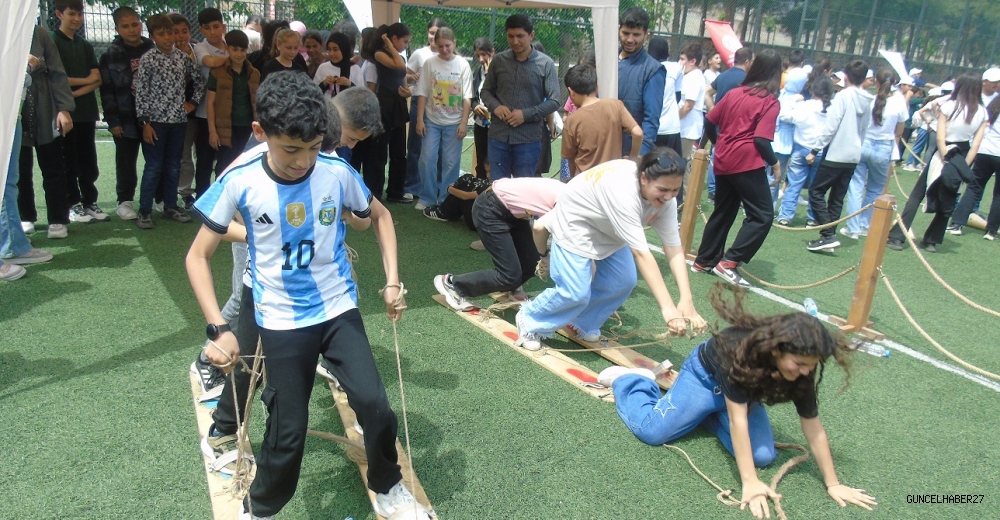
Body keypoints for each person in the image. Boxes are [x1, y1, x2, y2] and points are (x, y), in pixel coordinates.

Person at [187, 71, 415, 519]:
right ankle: (261, 508)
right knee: (288, 431)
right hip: (280, 317)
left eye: (313, 148)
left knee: (375, 405)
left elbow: (381, 218)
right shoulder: (241, 179)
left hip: (336, 309)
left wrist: (392, 280)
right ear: (260, 133)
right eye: (291, 149)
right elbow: (197, 256)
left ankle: (389, 487)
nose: (303, 161)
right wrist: (218, 328)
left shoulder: (335, 170)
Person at [603, 284, 876, 520]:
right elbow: (738, 420)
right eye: (800, 364)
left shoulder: (802, 368)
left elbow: (813, 427)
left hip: (743, 395)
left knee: (764, 456)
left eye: (811, 366)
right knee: (652, 433)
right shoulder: (739, 352)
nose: (805, 371)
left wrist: (833, 484)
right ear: (777, 349)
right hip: (705, 379)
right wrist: (750, 483)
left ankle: (703, 415)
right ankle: (633, 381)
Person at [515, 148, 707, 351]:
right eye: (663, 190)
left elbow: (674, 248)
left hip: (609, 227)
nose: (669, 197)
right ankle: (531, 318)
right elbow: (641, 254)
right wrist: (669, 309)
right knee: (574, 292)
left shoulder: (665, 199)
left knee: (622, 281)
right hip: (576, 221)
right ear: (643, 178)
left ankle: (582, 321)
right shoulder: (624, 192)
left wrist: (686, 300)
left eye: (675, 190)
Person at [690, 49, 782, 288]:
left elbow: (710, 120)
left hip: (723, 158)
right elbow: (761, 139)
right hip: (746, 162)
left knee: (723, 210)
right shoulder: (770, 100)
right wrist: (775, 163)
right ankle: (729, 262)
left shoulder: (734, 93)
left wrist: (717, 141)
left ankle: (703, 261)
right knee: (762, 215)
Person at [887, 74, 988, 252]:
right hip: (963, 155)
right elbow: (976, 144)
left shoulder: (949, 106)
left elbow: (941, 137)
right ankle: (932, 240)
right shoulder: (982, 111)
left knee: (917, 193)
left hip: (944, 152)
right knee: (949, 195)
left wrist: (946, 158)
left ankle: (897, 237)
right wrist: (962, 166)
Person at [434, 177, 564, 311]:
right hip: (490, 208)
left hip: (514, 212)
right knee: (509, 275)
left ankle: (510, 287)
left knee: (532, 263)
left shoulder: (572, 194)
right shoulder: (568, 201)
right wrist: (545, 255)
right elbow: (540, 228)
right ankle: (453, 284)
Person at [133, 13, 204, 229]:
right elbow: (141, 91)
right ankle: (144, 210)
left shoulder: (182, 58)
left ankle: (171, 206)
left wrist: (192, 102)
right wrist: (145, 123)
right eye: (161, 34)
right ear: (152, 36)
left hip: (178, 121)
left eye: (170, 33)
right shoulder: (148, 59)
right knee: (154, 166)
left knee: (174, 165)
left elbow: (200, 80)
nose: (168, 38)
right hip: (155, 122)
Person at [480, 14, 560, 180]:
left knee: (523, 190)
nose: (515, 41)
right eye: (511, 36)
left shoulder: (546, 64)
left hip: (528, 139)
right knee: (498, 188)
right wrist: (496, 106)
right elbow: (485, 91)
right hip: (498, 136)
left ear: (531, 35)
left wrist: (525, 115)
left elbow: (554, 101)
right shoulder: (499, 61)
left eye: (520, 36)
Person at [805, 60, 873, 252]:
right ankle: (828, 238)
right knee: (836, 197)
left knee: (816, 191)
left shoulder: (843, 96)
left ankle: (828, 234)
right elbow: (865, 128)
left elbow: (830, 127)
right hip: (853, 154)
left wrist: (814, 150)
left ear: (846, 76)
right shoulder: (868, 99)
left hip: (837, 153)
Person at [52, 0, 109, 224]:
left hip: (86, 112)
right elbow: (58, 78)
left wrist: (74, 93)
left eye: (79, 14)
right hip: (66, 114)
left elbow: (97, 79)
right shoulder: (52, 41)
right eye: (71, 14)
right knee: (69, 161)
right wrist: (81, 85)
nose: (77, 19)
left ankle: (89, 202)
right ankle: (72, 204)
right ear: (59, 14)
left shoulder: (84, 44)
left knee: (88, 161)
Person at [18, 26, 74, 239]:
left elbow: (58, 73)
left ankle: (58, 219)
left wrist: (64, 108)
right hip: (15, 110)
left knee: (53, 166)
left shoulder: (40, 34)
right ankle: (25, 216)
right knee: (19, 168)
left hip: (45, 106)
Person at [100, 7, 154, 221]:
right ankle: (125, 201)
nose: (132, 30)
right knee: (126, 162)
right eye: (125, 26)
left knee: (155, 161)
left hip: (153, 118)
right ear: (117, 28)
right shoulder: (110, 54)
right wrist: (113, 120)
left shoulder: (153, 49)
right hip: (125, 118)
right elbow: (107, 90)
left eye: (135, 24)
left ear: (141, 25)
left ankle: (156, 200)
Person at [842, 67, 907, 239]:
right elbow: (899, 131)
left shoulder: (869, 99)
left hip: (864, 144)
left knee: (855, 187)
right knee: (875, 189)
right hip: (884, 146)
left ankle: (853, 228)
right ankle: (863, 224)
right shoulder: (899, 102)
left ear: (876, 82)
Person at [414, 27, 472, 212]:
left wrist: (464, 122)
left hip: (454, 122)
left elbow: (467, 97)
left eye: (447, 45)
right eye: (440, 47)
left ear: (454, 43)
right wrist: (419, 119)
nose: (444, 50)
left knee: (450, 163)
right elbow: (422, 92)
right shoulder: (430, 63)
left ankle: (447, 198)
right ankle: (427, 196)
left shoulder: (463, 64)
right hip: (432, 120)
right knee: (427, 159)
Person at [561, 63, 641, 177]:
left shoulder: (572, 120)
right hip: (612, 178)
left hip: (585, 182)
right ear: (597, 87)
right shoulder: (615, 105)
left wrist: (570, 181)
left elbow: (568, 158)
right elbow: (637, 133)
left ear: (571, 92)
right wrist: (632, 158)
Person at [776, 77, 835, 226]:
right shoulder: (833, 108)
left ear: (813, 91)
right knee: (817, 188)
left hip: (801, 148)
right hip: (821, 151)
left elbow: (784, 114)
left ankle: (785, 215)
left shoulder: (805, 106)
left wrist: (793, 99)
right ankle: (812, 217)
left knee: (794, 184)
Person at [404, 18, 448, 200]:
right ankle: (411, 186)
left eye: (437, 32)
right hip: (418, 104)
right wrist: (414, 76)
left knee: (439, 150)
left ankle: (437, 187)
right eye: (431, 32)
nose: (434, 36)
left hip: (440, 107)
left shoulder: (450, 55)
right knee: (415, 147)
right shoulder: (420, 54)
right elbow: (404, 74)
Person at [367, 23, 413, 202]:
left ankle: (395, 191)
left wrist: (407, 91)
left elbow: (402, 76)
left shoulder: (398, 56)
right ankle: (375, 192)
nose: (406, 46)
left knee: (399, 152)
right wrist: (387, 43)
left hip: (398, 104)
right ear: (394, 38)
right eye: (405, 41)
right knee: (379, 152)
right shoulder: (380, 53)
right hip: (384, 105)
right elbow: (400, 67)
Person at [207, 30, 259, 176]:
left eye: (242, 50)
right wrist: (212, 131)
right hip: (226, 127)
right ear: (227, 48)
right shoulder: (217, 72)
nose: (239, 54)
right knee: (224, 165)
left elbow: (257, 101)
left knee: (243, 163)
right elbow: (210, 103)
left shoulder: (254, 73)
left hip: (248, 127)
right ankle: (221, 196)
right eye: (234, 49)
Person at [616, 7, 665, 157]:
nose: (630, 39)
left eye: (636, 34)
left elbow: (651, 120)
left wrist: (639, 155)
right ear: (619, 30)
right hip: (601, 146)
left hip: (629, 151)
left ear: (646, 34)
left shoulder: (653, 69)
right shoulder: (605, 59)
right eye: (625, 33)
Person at [192, 8, 229, 200]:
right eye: (207, 28)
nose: (213, 32)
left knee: (226, 159)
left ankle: (222, 199)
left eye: (216, 27)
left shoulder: (231, 45)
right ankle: (201, 198)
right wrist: (233, 58)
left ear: (223, 27)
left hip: (227, 114)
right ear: (202, 30)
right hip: (204, 113)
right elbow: (211, 62)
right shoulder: (200, 47)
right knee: (205, 159)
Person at [171, 13, 200, 210]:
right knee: (184, 155)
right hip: (180, 113)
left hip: (205, 111)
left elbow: (202, 80)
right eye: (175, 32)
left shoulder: (198, 50)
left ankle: (204, 191)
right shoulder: (165, 54)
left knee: (205, 155)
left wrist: (195, 102)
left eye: (184, 31)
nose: (181, 36)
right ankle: (185, 192)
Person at [647, 37, 684, 157]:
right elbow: (677, 96)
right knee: (673, 166)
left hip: (651, 127)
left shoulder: (645, 67)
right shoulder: (676, 68)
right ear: (667, 54)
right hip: (671, 127)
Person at [470, 37, 495, 180]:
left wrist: (490, 73)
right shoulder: (477, 73)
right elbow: (472, 95)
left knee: (493, 160)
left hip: (497, 125)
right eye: (477, 55)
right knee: (481, 160)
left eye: (484, 55)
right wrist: (475, 106)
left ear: (493, 52)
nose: (481, 59)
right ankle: (479, 193)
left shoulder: (500, 71)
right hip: (481, 123)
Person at [313, 32, 362, 99]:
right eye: (329, 49)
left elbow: (363, 94)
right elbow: (314, 93)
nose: (331, 53)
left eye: (335, 50)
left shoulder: (354, 69)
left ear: (343, 49)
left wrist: (350, 84)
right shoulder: (323, 68)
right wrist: (324, 83)